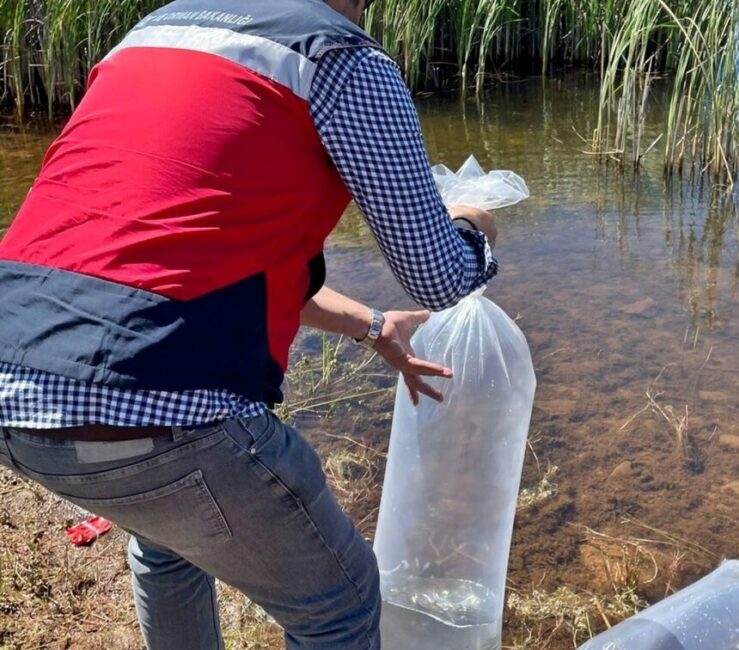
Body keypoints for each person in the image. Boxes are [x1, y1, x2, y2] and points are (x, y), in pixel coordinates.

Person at [0, 0, 496, 647]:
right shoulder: (340, 55)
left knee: (169, 541)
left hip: (15, 399)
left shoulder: (160, 29)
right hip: (157, 421)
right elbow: (442, 278)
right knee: (338, 606)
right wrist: (475, 224)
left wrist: (374, 327)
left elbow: (164, 256)